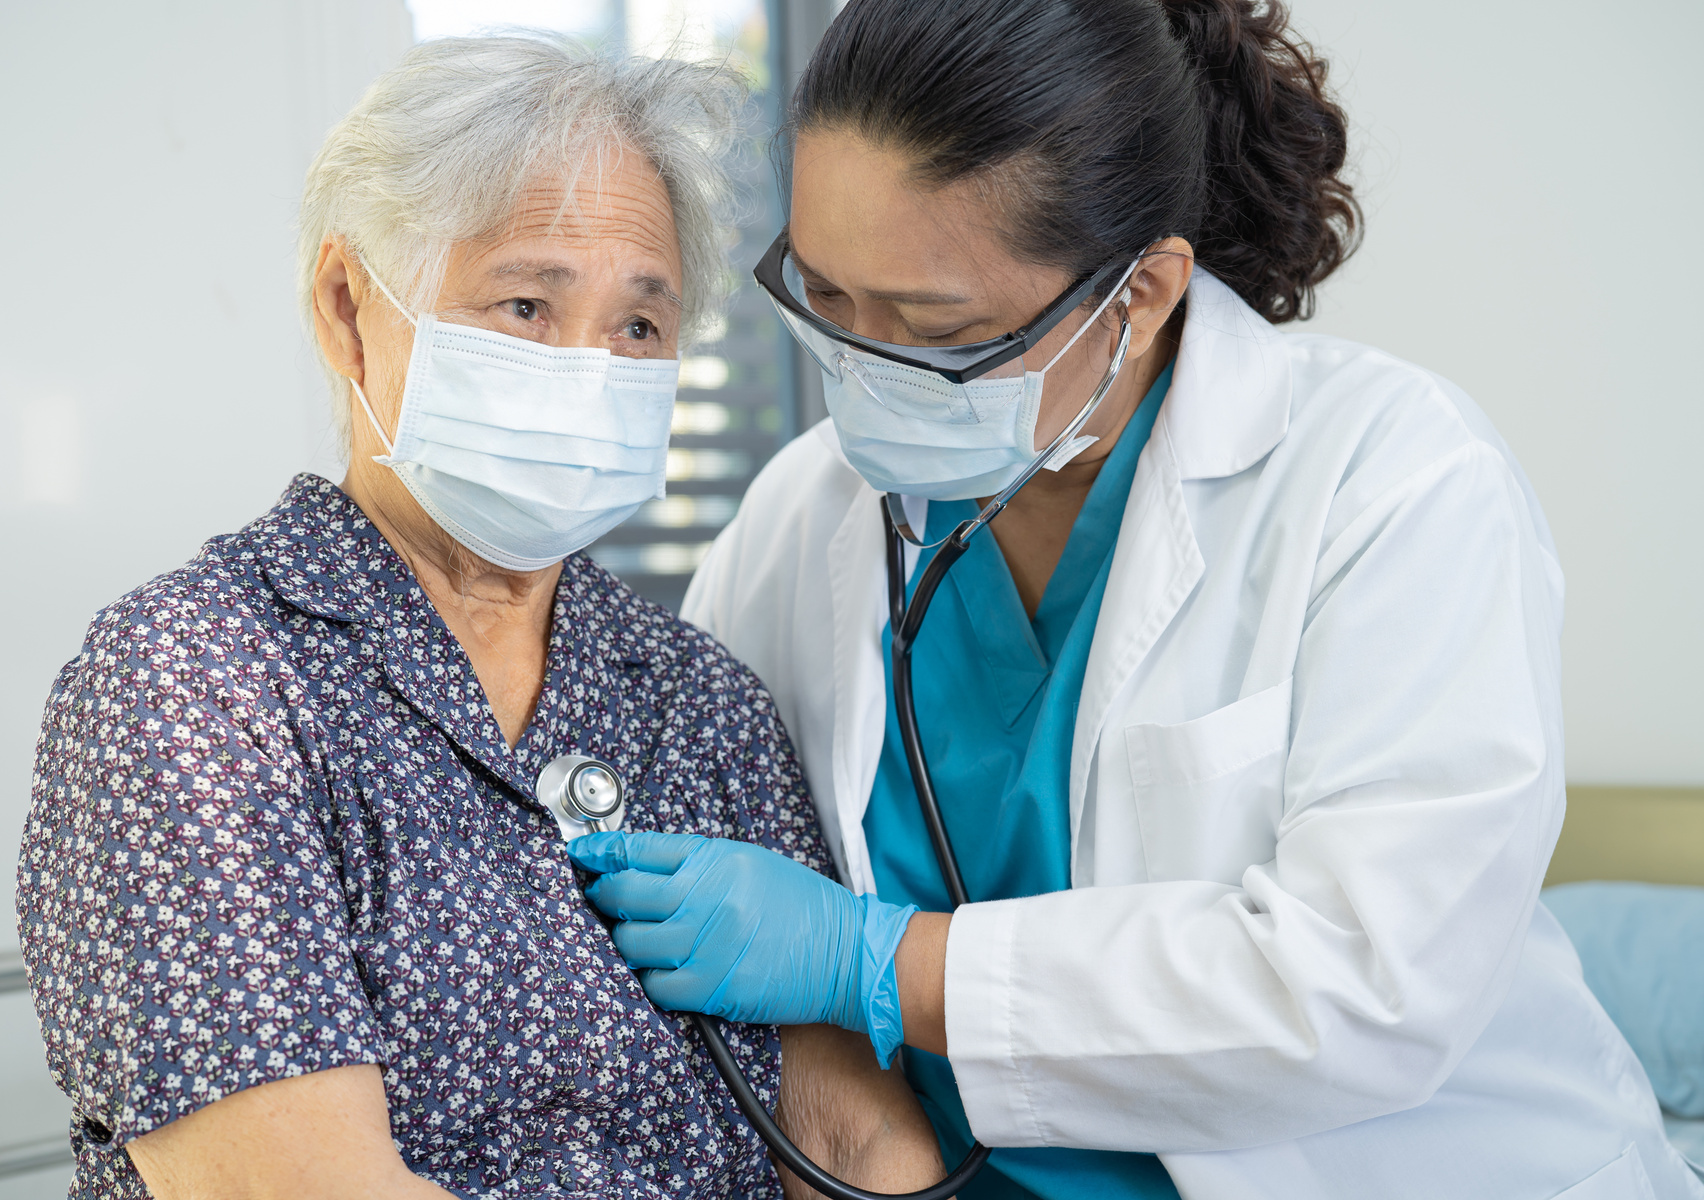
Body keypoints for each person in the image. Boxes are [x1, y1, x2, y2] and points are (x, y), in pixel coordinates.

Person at [569, 1, 1704, 1197]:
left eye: (937, 329)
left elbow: (1369, 990)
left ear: (1143, 293)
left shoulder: (1390, 480)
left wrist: (877, 962)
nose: (861, 368)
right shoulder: (802, 519)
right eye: (826, 299)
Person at [15, 36, 945, 1200]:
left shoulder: (699, 697)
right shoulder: (194, 683)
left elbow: (854, 1144)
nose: (589, 372)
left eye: (638, 327)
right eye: (526, 304)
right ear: (349, 309)